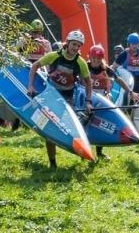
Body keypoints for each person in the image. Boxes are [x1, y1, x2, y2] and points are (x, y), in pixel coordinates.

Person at [28, 29, 94, 169]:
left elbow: (88, 82)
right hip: (50, 95)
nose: (75, 48)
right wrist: (31, 86)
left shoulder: (81, 63)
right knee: (50, 128)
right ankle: (52, 162)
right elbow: (35, 66)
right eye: (73, 44)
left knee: (71, 125)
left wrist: (88, 101)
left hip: (67, 97)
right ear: (68, 43)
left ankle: (82, 151)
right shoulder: (54, 56)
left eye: (78, 45)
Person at [116, 32, 139, 99]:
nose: (134, 46)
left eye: (136, 44)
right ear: (129, 44)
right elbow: (114, 67)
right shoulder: (124, 54)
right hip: (127, 83)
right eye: (132, 44)